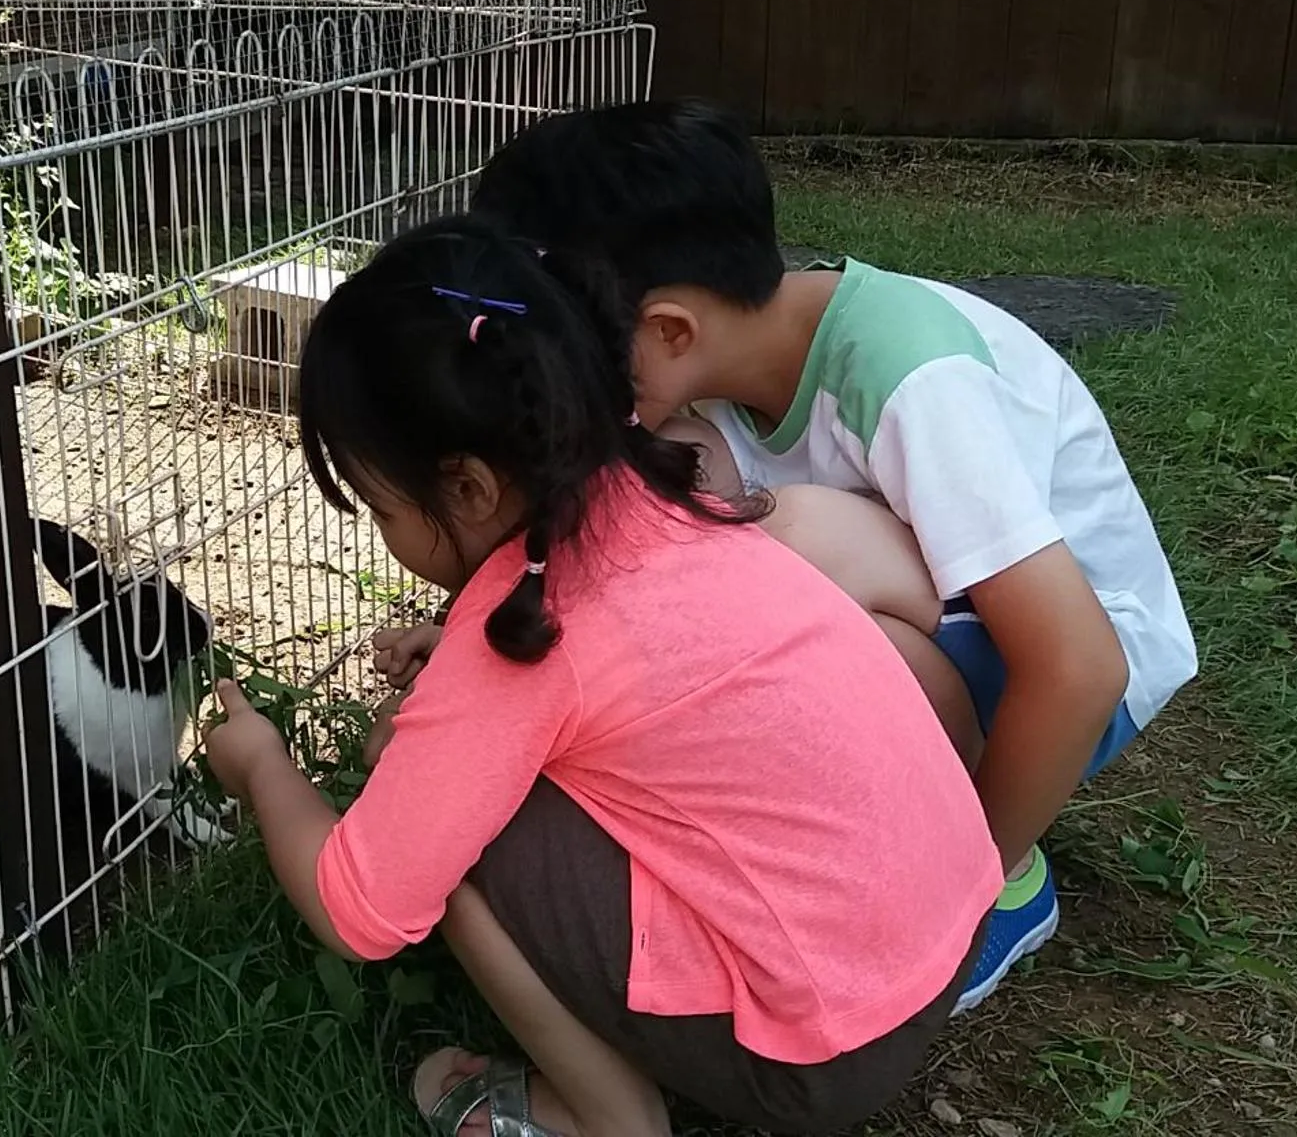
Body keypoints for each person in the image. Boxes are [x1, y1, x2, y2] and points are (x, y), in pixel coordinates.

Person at [201, 215, 1002, 1136]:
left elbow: (359, 910)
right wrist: (451, 670)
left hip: (824, 1051)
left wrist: (264, 768)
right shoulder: (667, 493)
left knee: (450, 838)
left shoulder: (522, 643)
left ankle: (602, 1117)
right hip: (942, 939)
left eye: (381, 507)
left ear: (465, 489)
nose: (382, 530)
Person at [467, 98, 1198, 1013]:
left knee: (785, 540)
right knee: (687, 515)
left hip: (1069, 665)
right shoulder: (720, 369)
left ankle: (994, 883)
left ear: (667, 331)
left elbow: (1079, 666)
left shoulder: (910, 377)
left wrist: (967, 878)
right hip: (958, 618)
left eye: (560, 354)